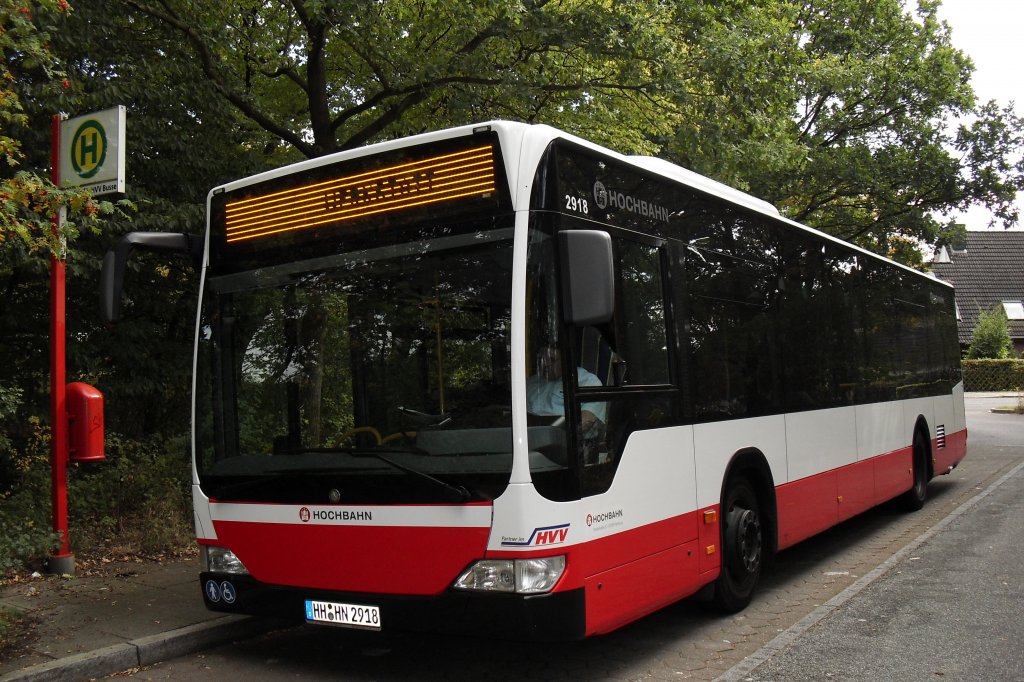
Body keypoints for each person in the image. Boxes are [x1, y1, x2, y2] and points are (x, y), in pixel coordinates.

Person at [526, 346, 607, 435]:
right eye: (542, 359)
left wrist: (548, 433)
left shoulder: (588, 382)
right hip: (527, 434)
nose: (546, 364)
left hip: (564, 437)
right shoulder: (532, 382)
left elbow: (585, 421)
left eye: (552, 360)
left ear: (566, 360)